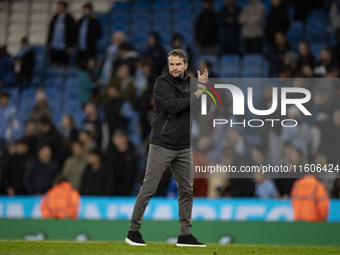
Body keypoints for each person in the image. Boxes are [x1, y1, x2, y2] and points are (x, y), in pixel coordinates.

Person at [125, 49, 207, 247]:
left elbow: (203, 109)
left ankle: (185, 235)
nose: (175, 68)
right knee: (149, 188)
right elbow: (174, 106)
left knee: (186, 191)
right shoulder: (162, 83)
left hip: (184, 146)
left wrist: (204, 89)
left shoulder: (190, 84)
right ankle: (133, 232)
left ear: (186, 65)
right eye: (172, 64)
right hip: (162, 144)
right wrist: (198, 92)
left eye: (178, 64)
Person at [47, 1, 76, 66]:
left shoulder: (70, 19)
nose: (58, 8)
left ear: (64, 8)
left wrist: (70, 45)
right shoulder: (55, 17)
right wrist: (48, 42)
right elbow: (51, 31)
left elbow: (72, 33)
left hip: (64, 46)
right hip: (54, 45)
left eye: (60, 7)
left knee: (63, 64)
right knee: (54, 63)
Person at [0, 92, 19, 158]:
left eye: (6, 99)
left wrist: (12, 137)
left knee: (8, 157)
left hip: (7, 139)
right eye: (3, 98)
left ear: (8, 100)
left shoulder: (12, 110)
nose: (4, 100)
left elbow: (15, 125)